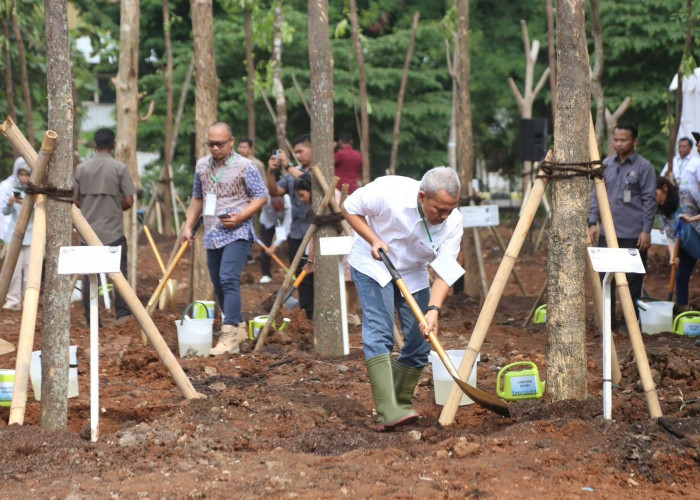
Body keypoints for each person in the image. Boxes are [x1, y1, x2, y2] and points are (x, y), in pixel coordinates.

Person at [342, 167, 463, 431]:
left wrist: (434, 310)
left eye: (451, 209)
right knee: (380, 332)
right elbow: (349, 206)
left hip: (413, 272)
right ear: (422, 197)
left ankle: (398, 402)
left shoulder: (453, 222)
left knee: (421, 342)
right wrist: (373, 239)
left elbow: (445, 270)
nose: (445, 216)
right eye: (439, 209)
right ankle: (387, 410)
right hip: (374, 263)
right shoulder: (389, 192)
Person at [182, 122, 268, 356]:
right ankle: (239, 327)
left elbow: (261, 197)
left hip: (238, 232)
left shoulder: (245, 166)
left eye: (220, 144)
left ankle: (228, 334)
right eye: (210, 144)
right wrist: (188, 225)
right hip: (212, 232)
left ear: (231, 142)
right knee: (218, 284)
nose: (215, 148)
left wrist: (242, 216)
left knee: (228, 278)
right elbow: (197, 198)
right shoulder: (201, 166)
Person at [588, 123, 656, 331]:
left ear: (634, 141)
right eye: (615, 140)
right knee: (605, 281)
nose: (618, 144)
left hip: (633, 235)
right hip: (608, 235)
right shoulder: (606, 164)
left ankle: (630, 327)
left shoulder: (644, 167)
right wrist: (592, 221)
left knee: (632, 283)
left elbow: (649, 200)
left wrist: (646, 230)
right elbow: (596, 195)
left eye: (623, 140)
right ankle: (607, 325)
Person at [74, 128, 136, 325]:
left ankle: (92, 319)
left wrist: (89, 207)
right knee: (119, 274)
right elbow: (129, 200)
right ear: (114, 145)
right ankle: (123, 315)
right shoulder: (120, 168)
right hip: (113, 232)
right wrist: (116, 207)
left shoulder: (81, 169)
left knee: (88, 276)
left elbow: (74, 200)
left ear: (94, 144)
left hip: (88, 232)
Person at [266, 134, 315, 319]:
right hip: (296, 233)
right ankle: (307, 315)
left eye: (301, 151)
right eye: (295, 153)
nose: (298, 155)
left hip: (317, 233)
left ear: (312, 150)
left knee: (320, 275)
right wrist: (271, 172)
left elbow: (311, 181)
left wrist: (288, 165)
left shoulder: (319, 170)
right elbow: (274, 191)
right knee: (301, 276)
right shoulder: (291, 175)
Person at [656, 176, 699, 312]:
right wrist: (673, 256)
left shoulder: (688, 194)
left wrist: (692, 218)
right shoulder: (663, 212)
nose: (655, 200)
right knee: (680, 277)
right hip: (687, 246)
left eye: (655, 195)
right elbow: (670, 236)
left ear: (665, 188)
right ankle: (682, 312)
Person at [1, 158, 33, 311]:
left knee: (30, 270)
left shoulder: (35, 190)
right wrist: (10, 203)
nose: (24, 178)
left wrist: (27, 204)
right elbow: (5, 212)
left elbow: (39, 212)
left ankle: (29, 302)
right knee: (13, 269)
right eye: (21, 174)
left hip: (32, 235)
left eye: (27, 175)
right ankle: (13, 300)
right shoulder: (12, 188)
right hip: (15, 234)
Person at [257, 194, 291, 283]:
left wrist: (275, 246)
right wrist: (270, 248)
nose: (279, 209)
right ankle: (266, 274)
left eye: (281, 207)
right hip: (267, 223)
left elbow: (286, 226)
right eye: (277, 208)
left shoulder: (289, 204)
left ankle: (292, 272)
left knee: (293, 244)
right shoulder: (265, 200)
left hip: (282, 224)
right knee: (265, 247)